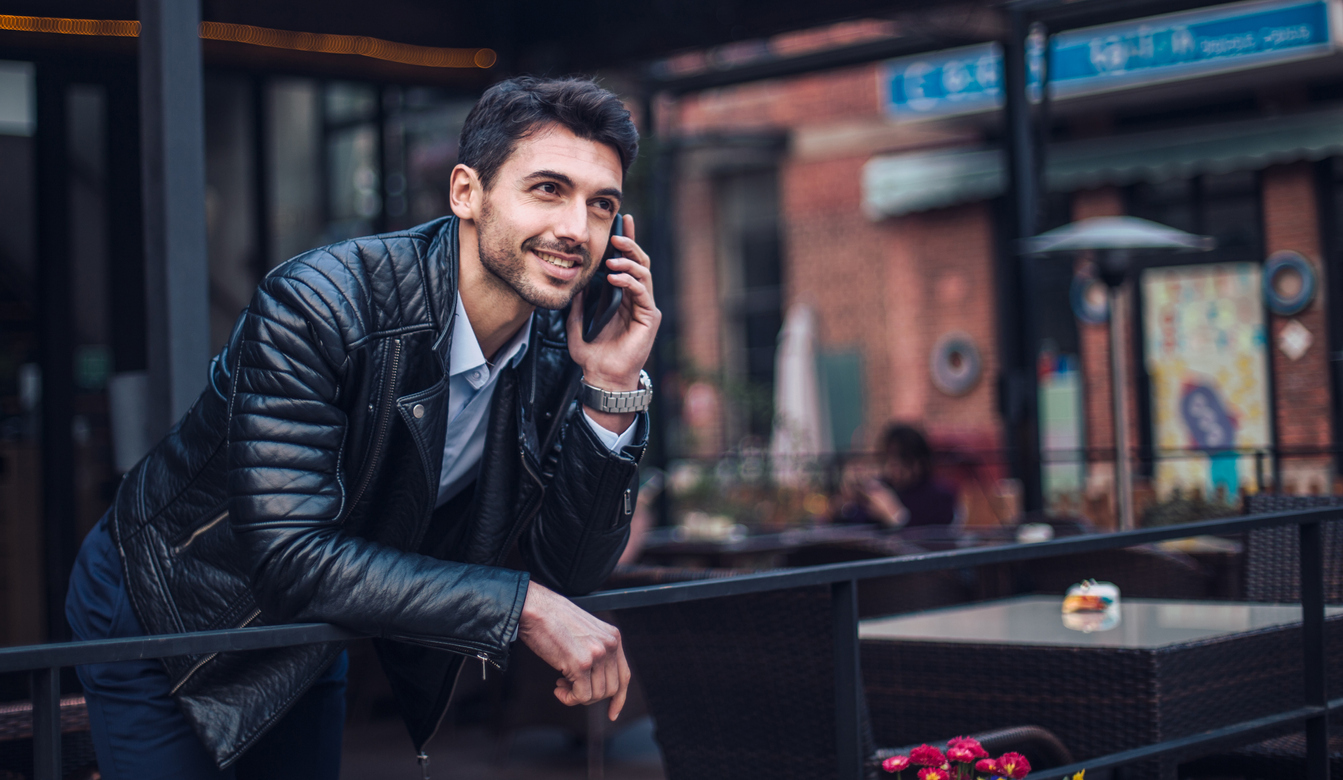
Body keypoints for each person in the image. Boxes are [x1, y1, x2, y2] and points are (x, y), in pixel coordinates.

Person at [65, 76, 660, 780]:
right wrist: (522, 605)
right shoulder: (322, 303)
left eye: (601, 205)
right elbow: (289, 552)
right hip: (168, 609)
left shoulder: (561, 352)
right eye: (547, 190)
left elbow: (571, 571)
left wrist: (611, 390)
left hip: (311, 624)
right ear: (466, 192)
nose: (575, 229)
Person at [838, 424, 959, 530]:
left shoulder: (939, 496)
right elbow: (855, 523)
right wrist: (847, 505)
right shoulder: (883, 488)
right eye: (888, 458)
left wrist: (894, 516)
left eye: (901, 459)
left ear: (919, 462)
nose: (891, 466)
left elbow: (929, 540)